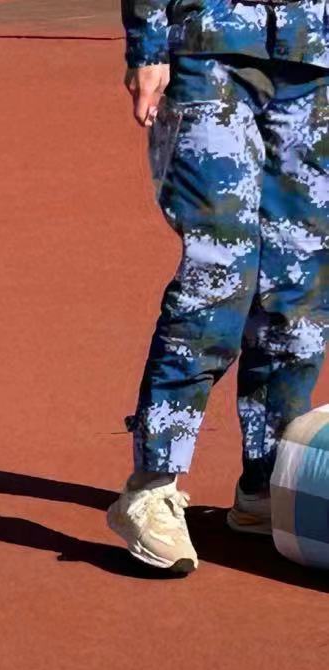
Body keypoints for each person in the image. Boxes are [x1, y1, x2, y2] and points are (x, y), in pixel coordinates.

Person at [109, 2, 329, 572]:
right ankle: (151, 486)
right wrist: (149, 45)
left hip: (314, 50)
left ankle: (267, 483)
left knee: (298, 288)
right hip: (212, 44)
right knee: (219, 274)